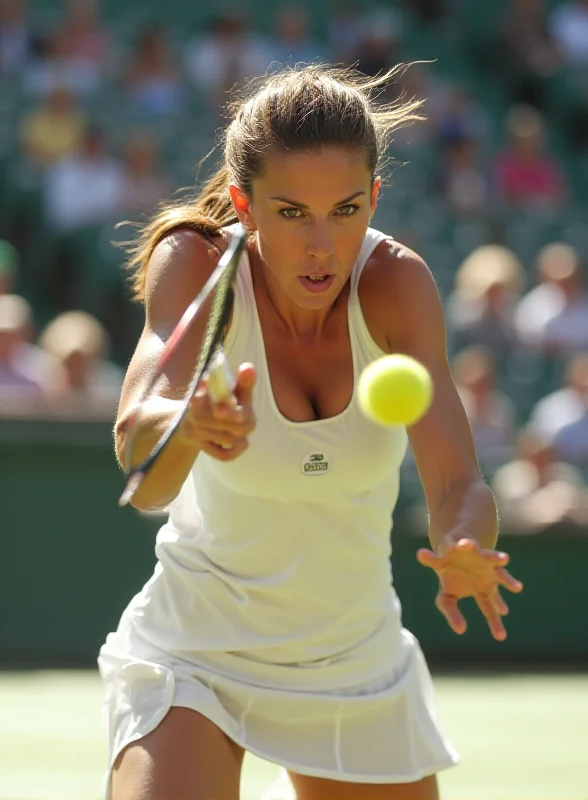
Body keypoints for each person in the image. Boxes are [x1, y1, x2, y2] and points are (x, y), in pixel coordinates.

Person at [98, 64, 523, 800]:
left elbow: (459, 482)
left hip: (353, 660)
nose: (324, 245)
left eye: (347, 209)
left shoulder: (397, 282)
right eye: (292, 213)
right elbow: (143, 474)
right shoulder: (197, 263)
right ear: (244, 203)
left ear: (375, 199)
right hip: (197, 651)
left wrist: (465, 544)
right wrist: (187, 427)